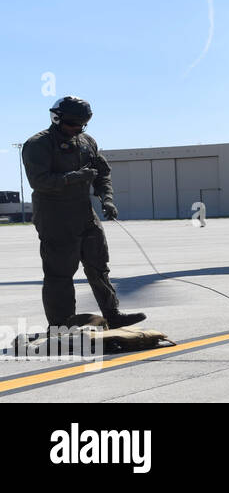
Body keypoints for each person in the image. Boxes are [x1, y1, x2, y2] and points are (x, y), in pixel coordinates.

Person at [21, 97, 146, 329]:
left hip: (84, 213)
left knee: (99, 266)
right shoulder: (38, 144)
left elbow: (102, 173)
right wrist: (73, 177)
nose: (77, 129)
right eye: (72, 124)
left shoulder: (87, 142)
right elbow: (38, 181)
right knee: (60, 273)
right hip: (54, 217)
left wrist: (107, 199)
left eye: (82, 124)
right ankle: (60, 326)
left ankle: (112, 314)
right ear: (56, 118)